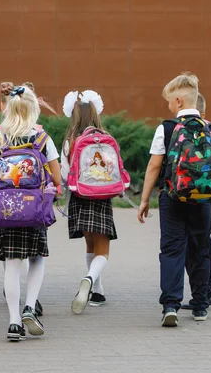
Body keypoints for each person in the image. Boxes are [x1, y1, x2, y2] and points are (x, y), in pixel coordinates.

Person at [138, 72, 211, 327]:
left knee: (171, 249)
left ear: (178, 101)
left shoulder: (166, 128)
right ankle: (200, 306)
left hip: (172, 197)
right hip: (202, 199)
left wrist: (144, 200)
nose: (168, 105)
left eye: (169, 101)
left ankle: (170, 305)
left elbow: (154, 166)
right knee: (200, 248)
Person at [0, 85, 62, 342]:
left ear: (8, 108)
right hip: (34, 209)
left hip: (6, 210)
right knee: (37, 258)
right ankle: (30, 306)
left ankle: (14, 322)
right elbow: (57, 178)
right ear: (33, 109)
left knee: (12, 265)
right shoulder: (42, 138)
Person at [60, 90, 117, 314]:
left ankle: (97, 291)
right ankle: (91, 280)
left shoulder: (69, 141)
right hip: (103, 196)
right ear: (95, 113)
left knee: (90, 245)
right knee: (103, 251)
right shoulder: (106, 137)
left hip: (79, 197)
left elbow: (65, 175)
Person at [181, 92, 211, 309]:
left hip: (189, 192)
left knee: (196, 240)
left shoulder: (181, 128)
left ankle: (205, 289)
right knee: (204, 236)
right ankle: (209, 285)